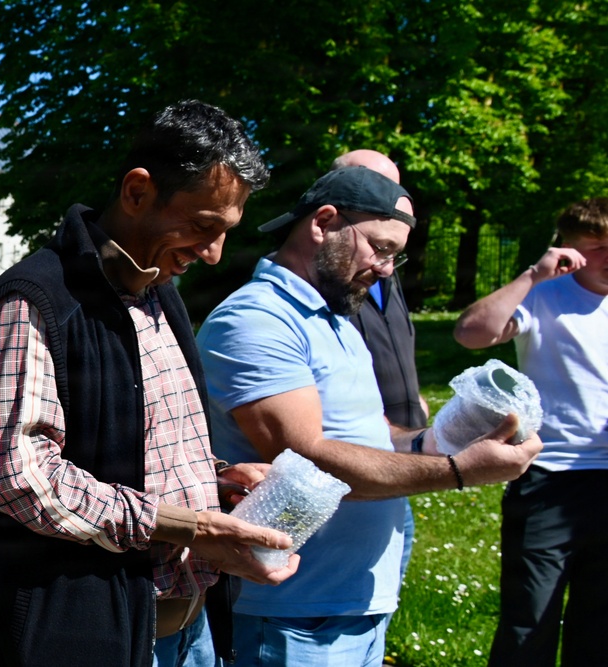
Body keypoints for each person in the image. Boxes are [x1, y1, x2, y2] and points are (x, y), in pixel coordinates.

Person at [0, 100, 299, 667]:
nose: (213, 254)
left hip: (190, 634)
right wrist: (183, 525)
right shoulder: (36, 299)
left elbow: (151, 444)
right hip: (81, 637)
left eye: (225, 232)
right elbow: (18, 477)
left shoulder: (162, 290)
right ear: (138, 192)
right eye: (201, 226)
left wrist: (218, 482)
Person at [195, 165, 542, 666]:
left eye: (394, 257)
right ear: (325, 222)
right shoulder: (256, 320)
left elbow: (366, 435)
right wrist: (459, 472)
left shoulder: (334, 317)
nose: (385, 269)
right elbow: (309, 463)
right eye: (380, 249)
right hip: (292, 610)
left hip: (352, 603)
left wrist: (438, 441)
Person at [453, 197, 608, 667]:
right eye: (597, 248)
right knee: (529, 620)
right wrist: (532, 276)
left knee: (600, 626)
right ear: (569, 249)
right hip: (548, 477)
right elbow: (470, 333)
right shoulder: (542, 296)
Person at [333, 150, 428, 629]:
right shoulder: (333, 275)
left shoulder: (383, 270)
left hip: (398, 460)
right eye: (375, 189)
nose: (393, 201)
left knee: (380, 606)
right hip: (357, 466)